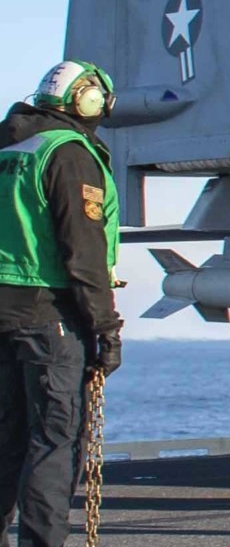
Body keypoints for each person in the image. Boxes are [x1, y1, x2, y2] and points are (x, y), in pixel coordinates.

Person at [0, 62, 124, 547]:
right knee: (54, 442)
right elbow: (83, 251)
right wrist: (106, 326)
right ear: (90, 101)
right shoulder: (68, 154)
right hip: (46, 314)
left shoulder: (9, 146)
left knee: (7, 438)